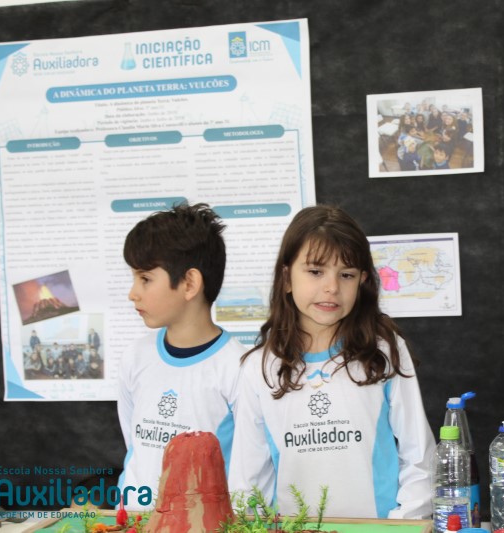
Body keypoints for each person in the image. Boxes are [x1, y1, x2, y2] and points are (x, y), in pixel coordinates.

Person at [228, 205, 435, 519]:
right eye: (315, 271)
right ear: (286, 278)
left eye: (346, 275)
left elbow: (419, 456)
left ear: (361, 281)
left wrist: (400, 525)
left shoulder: (383, 351)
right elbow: (247, 482)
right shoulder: (259, 368)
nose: (332, 287)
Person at [117, 202, 246, 509]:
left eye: (145, 279)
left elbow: (246, 468)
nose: (132, 293)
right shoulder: (135, 357)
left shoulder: (239, 368)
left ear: (189, 284)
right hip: (134, 522)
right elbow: (134, 446)